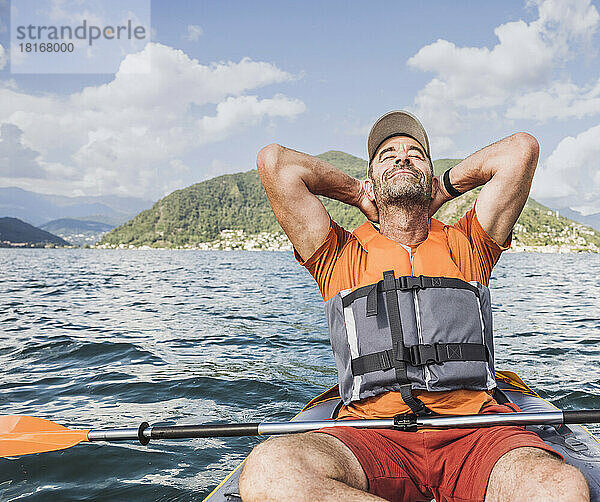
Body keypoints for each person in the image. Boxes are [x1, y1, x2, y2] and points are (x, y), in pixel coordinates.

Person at [238, 111, 590, 502]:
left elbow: (520, 150)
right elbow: (275, 162)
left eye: (416, 154)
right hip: (372, 434)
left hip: (475, 432)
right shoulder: (337, 255)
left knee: (560, 488)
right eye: (387, 154)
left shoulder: (471, 243)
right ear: (372, 179)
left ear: (430, 174)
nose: (402, 158)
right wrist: (357, 193)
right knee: (270, 473)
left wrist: (445, 187)